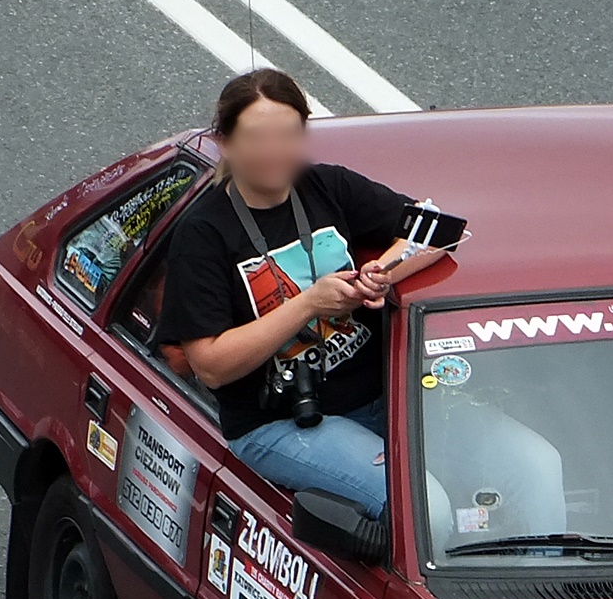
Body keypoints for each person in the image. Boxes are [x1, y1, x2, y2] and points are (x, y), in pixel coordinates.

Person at [158, 69, 565, 537]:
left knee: (535, 465)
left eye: (289, 134)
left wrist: (381, 274)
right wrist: (309, 303)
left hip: (381, 396)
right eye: (257, 137)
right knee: (424, 506)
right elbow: (209, 365)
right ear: (225, 143)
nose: (275, 151)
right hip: (278, 422)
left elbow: (440, 233)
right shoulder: (204, 234)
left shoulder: (326, 186)